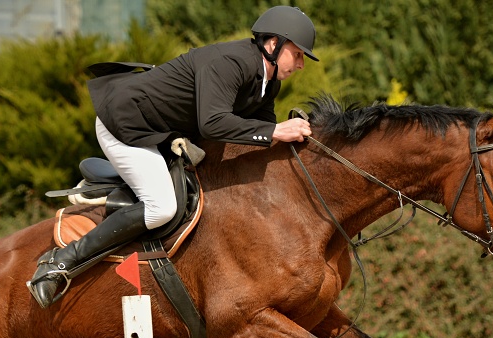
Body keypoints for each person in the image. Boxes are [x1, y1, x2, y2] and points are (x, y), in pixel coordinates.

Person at [28, 5, 319, 308]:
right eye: (297, 54)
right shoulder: (231, 62)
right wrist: (276, 131)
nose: (300, 65)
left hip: (161, 134)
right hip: (126, 125)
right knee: (162, 208)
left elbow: (254, 133)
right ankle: (60, 263)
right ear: (274, 44)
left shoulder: (267, 81)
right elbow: (214, 123)